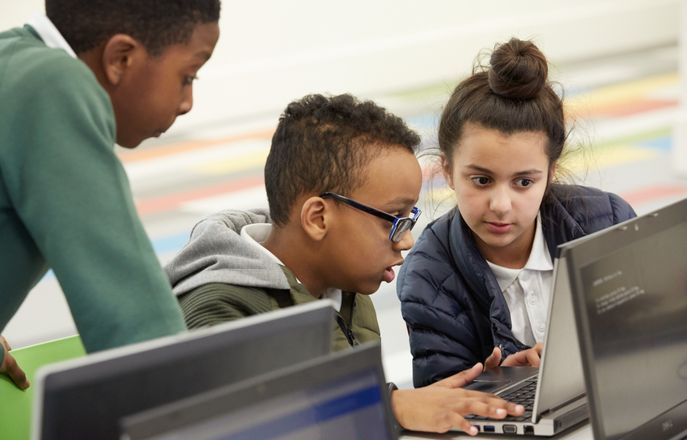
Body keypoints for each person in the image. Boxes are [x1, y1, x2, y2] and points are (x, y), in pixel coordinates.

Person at [166, 94, 525, 435]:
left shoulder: (348, 288)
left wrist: (473, 395)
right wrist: (389, 407)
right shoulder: (219, 311)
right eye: (392, 219)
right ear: (318, 218)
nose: (406, 240)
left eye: (409, 218)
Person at [0, 0, 221, 389]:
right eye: (188, 77)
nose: (187, 104)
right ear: (120, 58)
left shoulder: (12, 59)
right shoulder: (50, 85)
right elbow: (139, 330)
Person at [396, 38, 637, 388]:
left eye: (523, 182)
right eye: (481, 180)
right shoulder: (428, 277)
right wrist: (502, 380)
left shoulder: (608, 222)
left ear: (551, 173)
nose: (501, 205)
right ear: (447, 170)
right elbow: (441, 401)